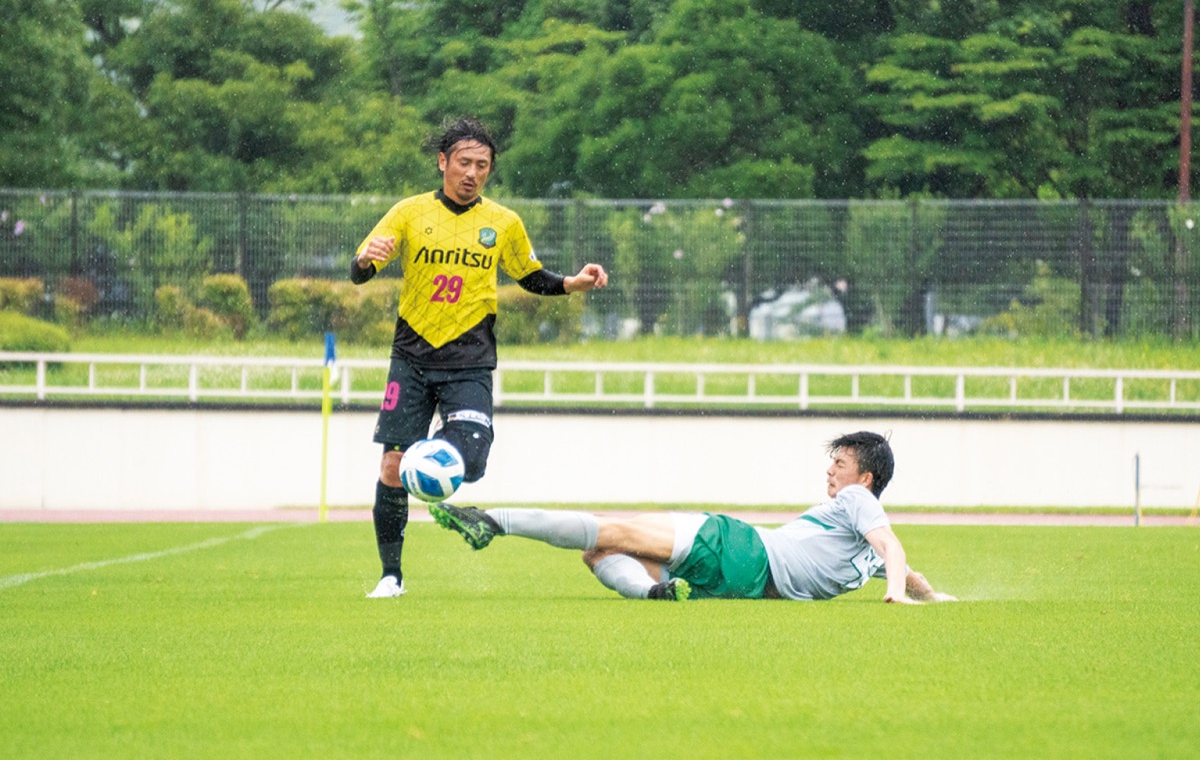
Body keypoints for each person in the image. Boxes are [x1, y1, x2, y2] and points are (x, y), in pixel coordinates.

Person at [351, 116, 609, 598]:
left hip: (469, 359)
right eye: (464, 162)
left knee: (471, 460)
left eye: (483, 165)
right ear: (443, 162)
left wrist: (572, 283)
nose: (472, 173)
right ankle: (391, 576)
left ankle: (433, 468)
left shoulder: (503, 222)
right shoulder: (408, 213)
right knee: (392, 464)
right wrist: (368, 259)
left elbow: (530, 275)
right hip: (411, 355)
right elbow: (360, 269)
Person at [431, 431, 956, 604]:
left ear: (865, 479)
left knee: (610, 526)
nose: (831, 473)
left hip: (741, 547)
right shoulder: (864, 546)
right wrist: (923, 592)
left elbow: (892, 549)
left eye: (840, 464)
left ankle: (490, 520)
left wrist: (895, 591)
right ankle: (653, 593)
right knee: (600, 552)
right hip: (747, 586)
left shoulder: (858, 502)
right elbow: (894, 558)